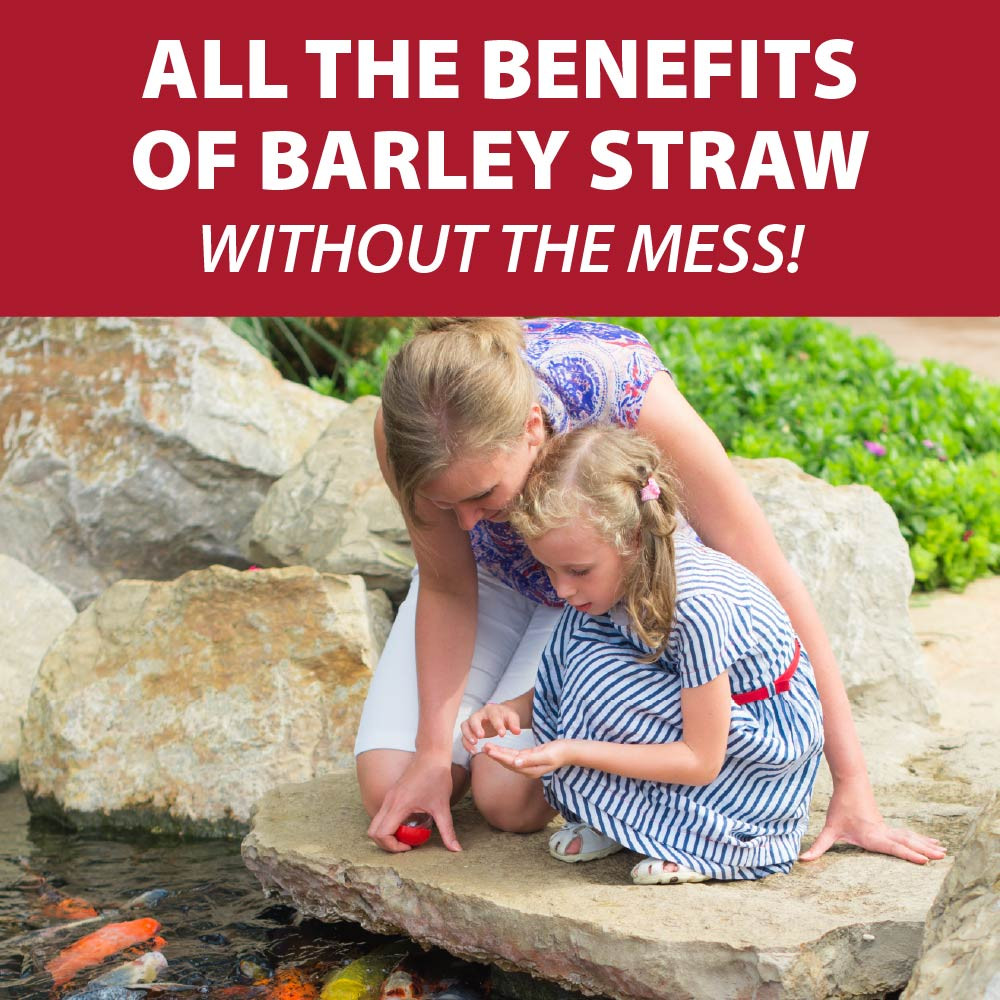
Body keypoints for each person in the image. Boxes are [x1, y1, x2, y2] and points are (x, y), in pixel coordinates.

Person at [356, 317, 944, 865]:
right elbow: (448, 584)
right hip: (496, 583)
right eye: (444, 504)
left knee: (506, 797)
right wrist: (433, 753)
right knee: (391, 782)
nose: (468, 525)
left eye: (484, 497)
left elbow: (768, 573)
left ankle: (623, 808)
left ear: (533, 428)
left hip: (600, 590)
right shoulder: (412, 427)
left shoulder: (620, 388)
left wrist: (853, 786)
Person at [460, 424, 824, 883]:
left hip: (752, 753)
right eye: (548, 569)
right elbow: (567, 677)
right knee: (584, 656)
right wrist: (508, 711)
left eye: (577, 570)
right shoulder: (607, 584)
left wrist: (573, 750)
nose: (561, 588)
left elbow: (700, 758)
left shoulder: (698, 606)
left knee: (606, 686)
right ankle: (630, 824)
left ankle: (710, 847)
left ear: (631, 538)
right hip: (692, 714)